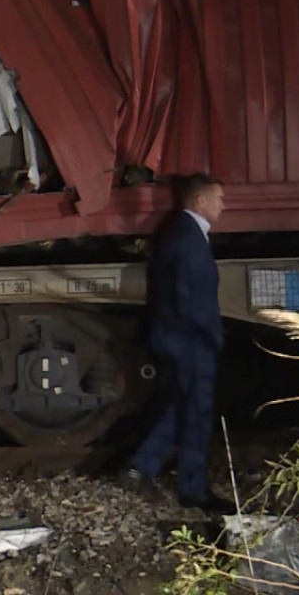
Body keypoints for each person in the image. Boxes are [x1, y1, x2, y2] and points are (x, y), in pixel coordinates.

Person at [122, 173, 237, 514]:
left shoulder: (178, 233)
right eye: (219, 198)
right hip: (189, 342)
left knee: (180, 406)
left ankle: (140, 467)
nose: (223, 205)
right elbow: (190, 300)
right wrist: (211, 337)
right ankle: (192, 489)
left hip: (176, 339)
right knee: (197, 413)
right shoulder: (189, 238)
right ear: (200, 201)